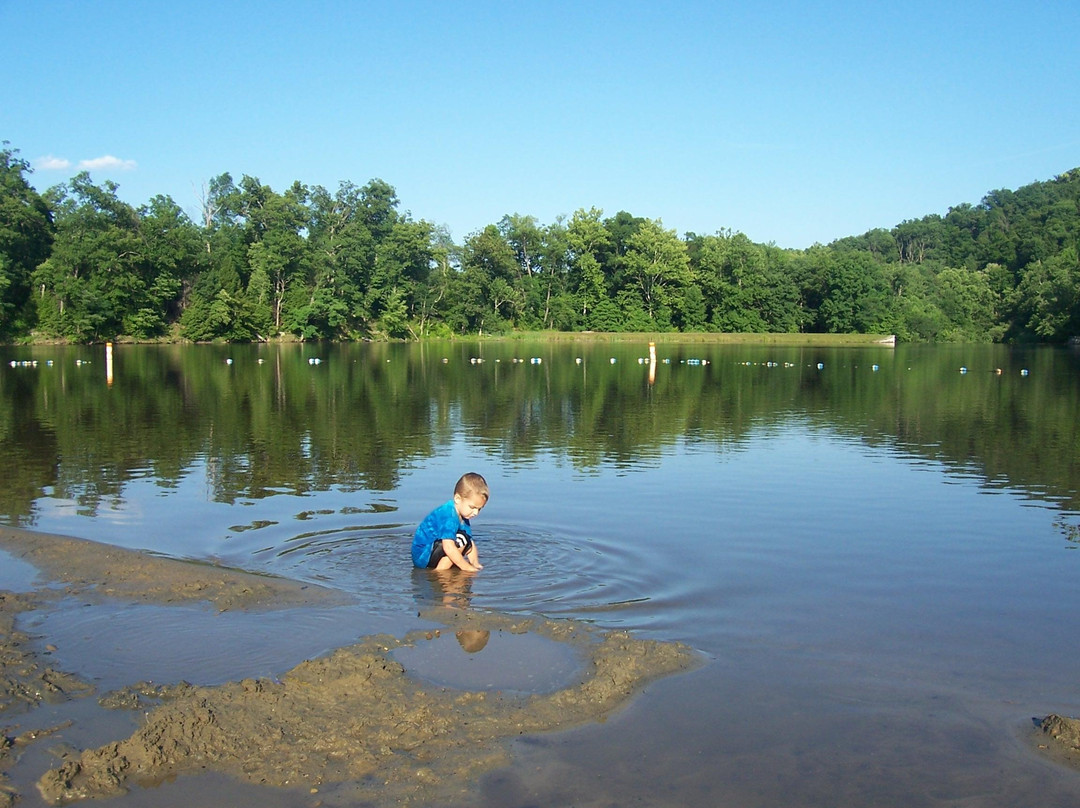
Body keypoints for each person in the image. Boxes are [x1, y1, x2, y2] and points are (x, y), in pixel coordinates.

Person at [411, 472, 488, 572]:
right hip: (424, 556)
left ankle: (447, 567)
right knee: (462, 539)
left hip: (434, 550)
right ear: (458, 499)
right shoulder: (448, 515)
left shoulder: (464, 515)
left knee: (466, 539)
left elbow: (470, 543)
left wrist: (475, 563)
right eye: (472, 507)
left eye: (479, 509)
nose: (475, 513)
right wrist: (466, 567)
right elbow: (448, 547)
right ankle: (439, 572)